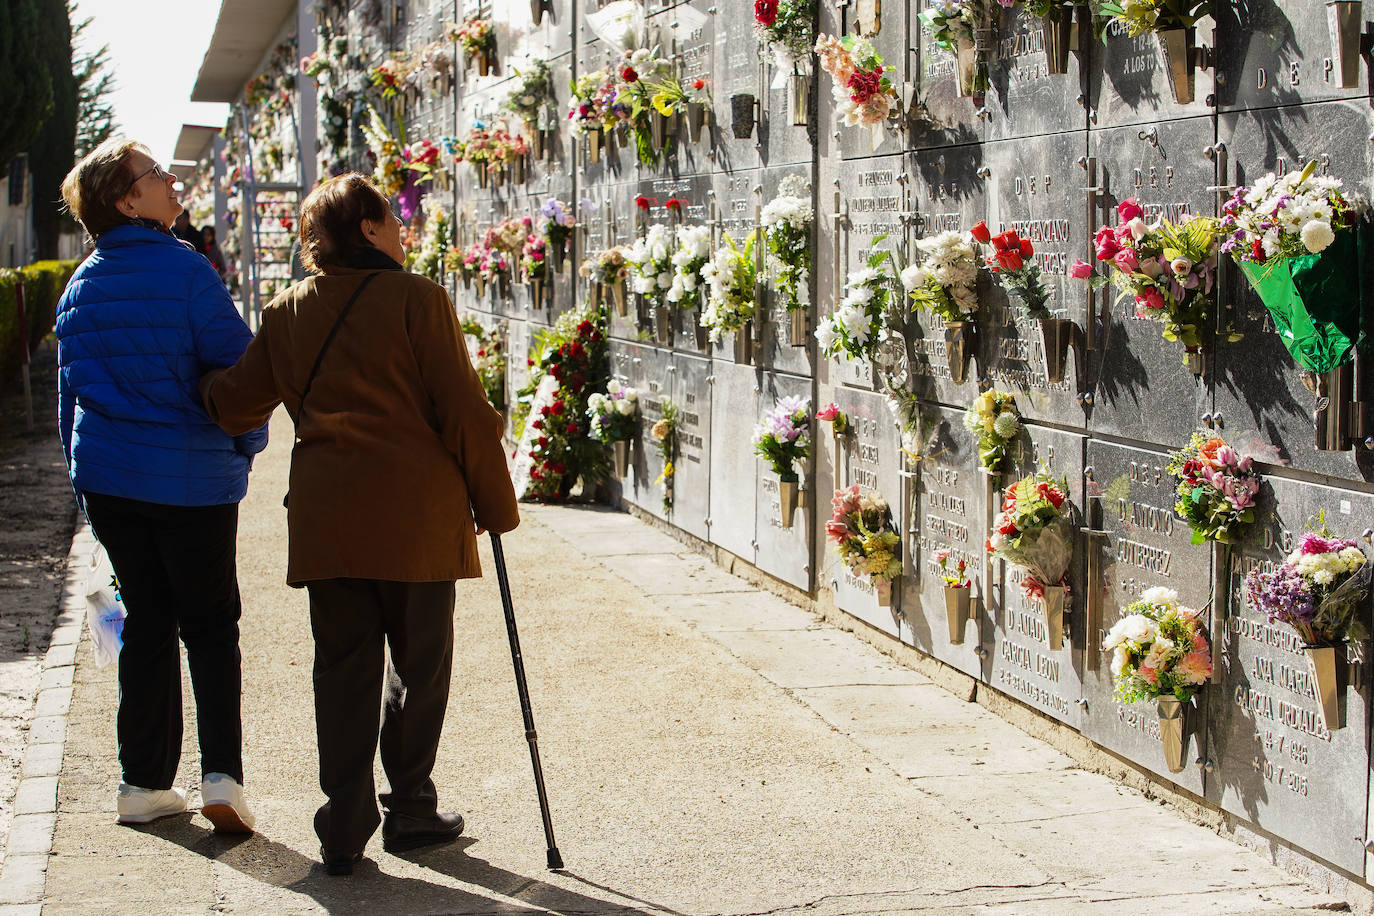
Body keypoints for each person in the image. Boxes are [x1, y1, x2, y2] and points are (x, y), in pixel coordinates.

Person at [199, 173, 519, 876]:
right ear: (369, 229)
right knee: (420, 665)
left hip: (330, 520)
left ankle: (344, 824)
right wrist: (495, 508)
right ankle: (411, 808)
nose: (403, 233)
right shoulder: (418, 300)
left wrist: (193, 379)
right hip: (417, 519)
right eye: (393, 222)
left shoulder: (287, 311)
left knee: (341, 670)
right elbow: (462, 413)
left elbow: (235, 402)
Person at [55, 138, 267, 833]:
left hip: (113, 483)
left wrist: (86, 486)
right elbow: (241, 377)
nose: (173, 182)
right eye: (156, 176)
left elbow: (70, 403)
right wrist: (245, 448)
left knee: (147, 622)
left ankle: (142, 783)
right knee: (210, 626)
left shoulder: (79, 285)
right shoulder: (188, 273)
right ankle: (221, 779)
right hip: (193, 481)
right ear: (126, 199)